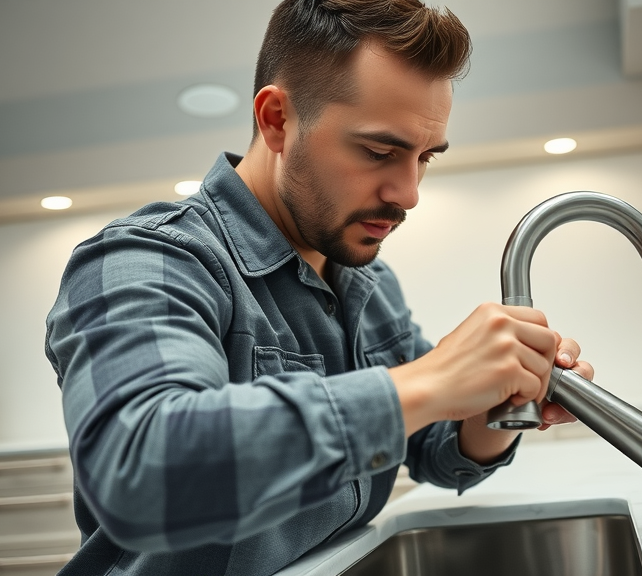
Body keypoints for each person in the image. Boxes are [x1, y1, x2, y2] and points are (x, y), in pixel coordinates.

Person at [44, 1, 593, 575]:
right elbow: (141, 472)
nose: (409, 194)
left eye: (424, 157)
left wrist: (499, 401)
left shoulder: (368, 281)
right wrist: (429, 380)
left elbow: (438, 452)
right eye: (380, 152)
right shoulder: (148, 259)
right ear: (277, 119)